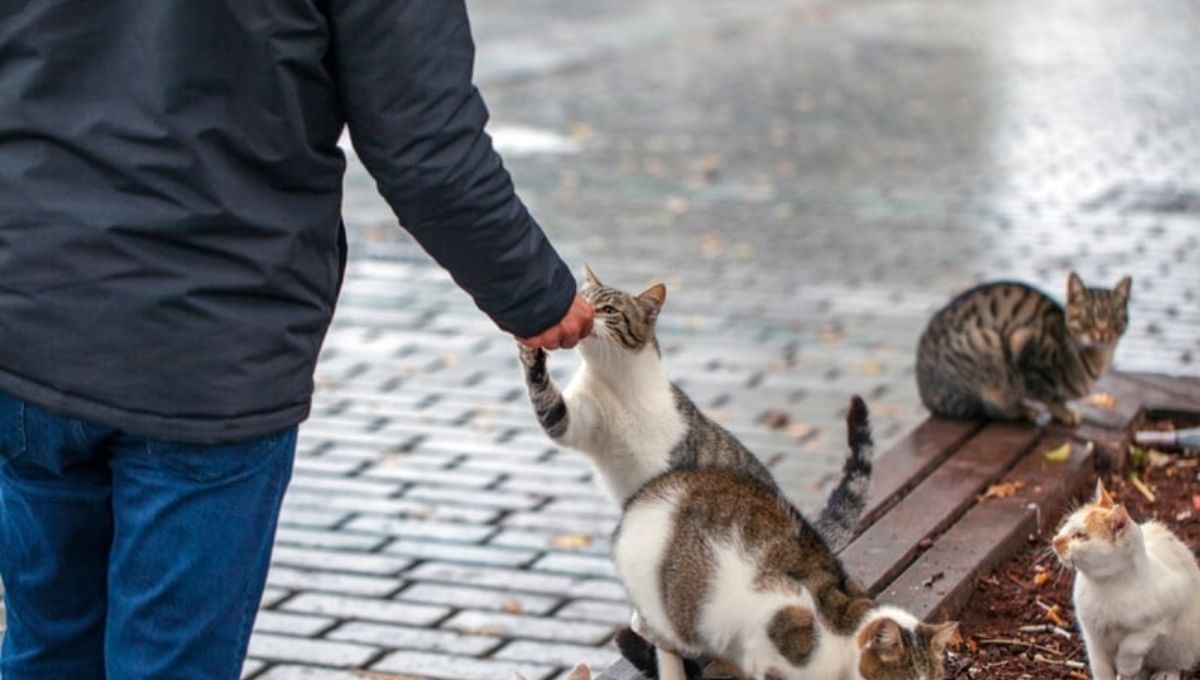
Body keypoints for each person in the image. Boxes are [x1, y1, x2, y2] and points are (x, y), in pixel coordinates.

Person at [0, 2, 593, 678]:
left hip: (33, 315)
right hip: (209, 349)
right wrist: (534, 294)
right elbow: (425, 143)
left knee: (47, 647)